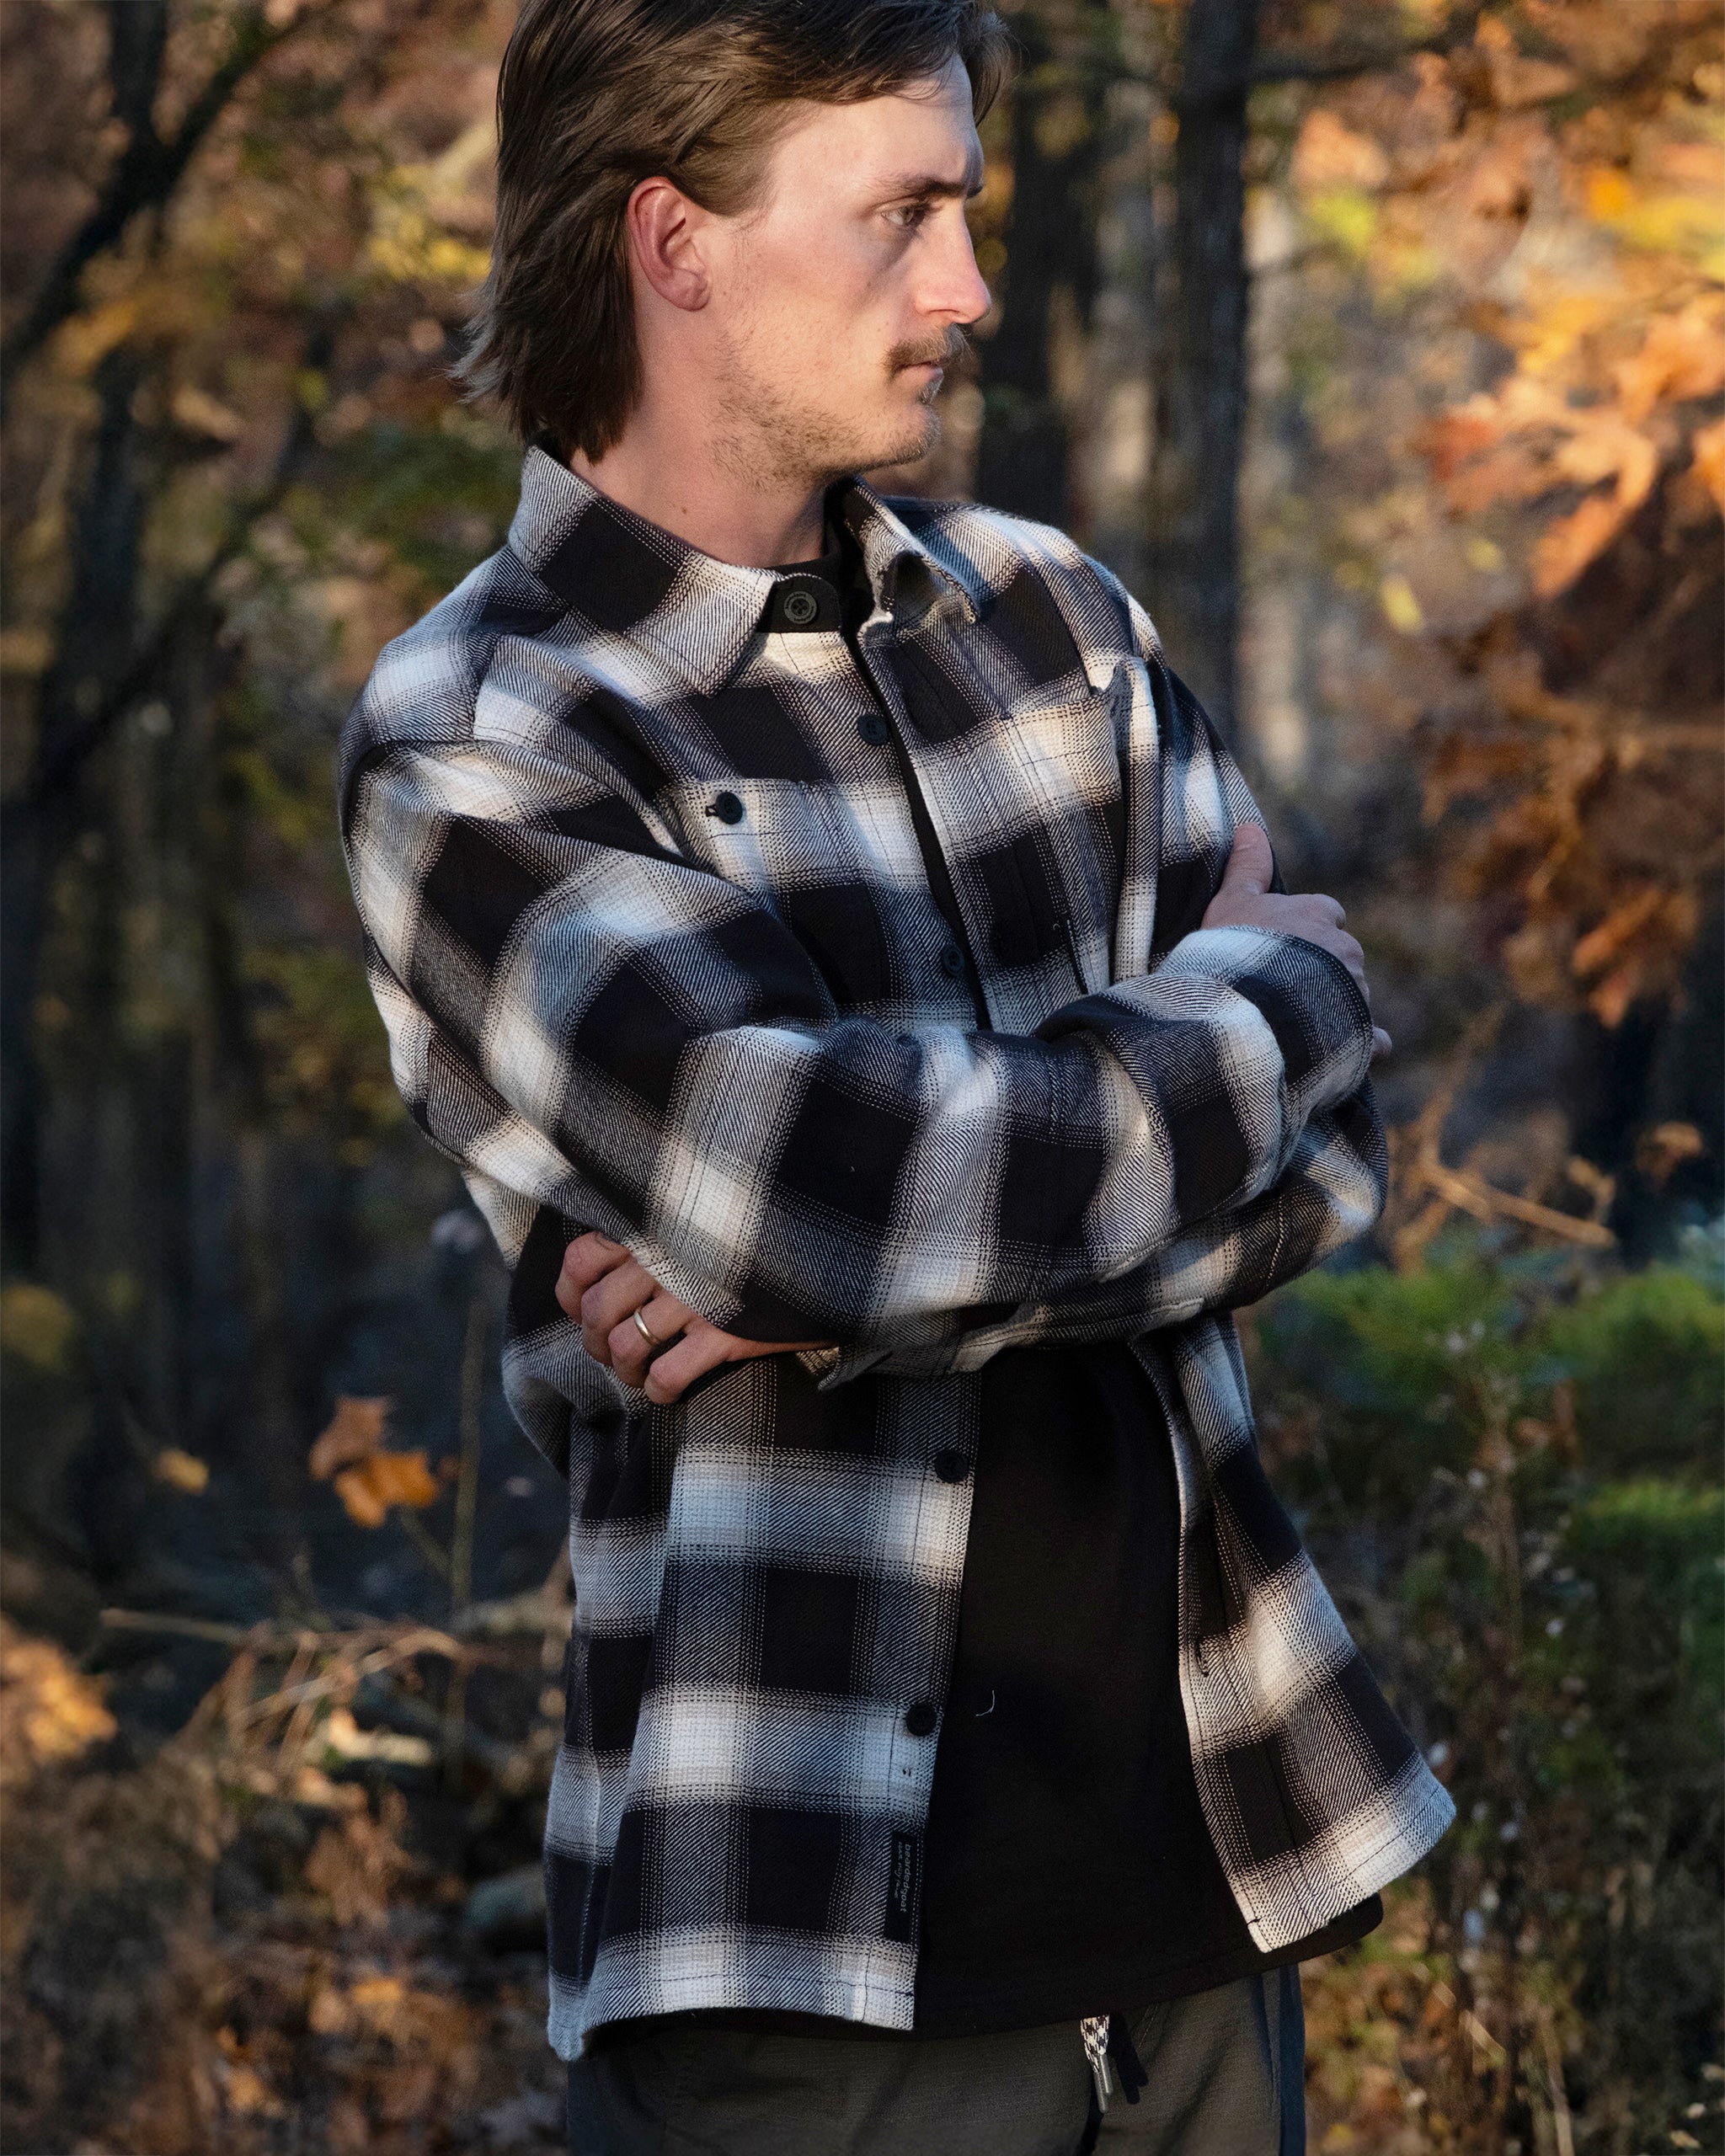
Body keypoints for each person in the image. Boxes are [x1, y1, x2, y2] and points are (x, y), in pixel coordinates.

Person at [338, 2, 1454, 2148]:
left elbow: (1338, 1167)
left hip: (1207, 1877)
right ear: (673, 243)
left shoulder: (1057, 622)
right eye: (901, 217)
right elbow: (818, 1186)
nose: (965, 286)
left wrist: (841, 1282)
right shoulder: (486, 727)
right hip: (801, 1958)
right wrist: (1267, 1005)